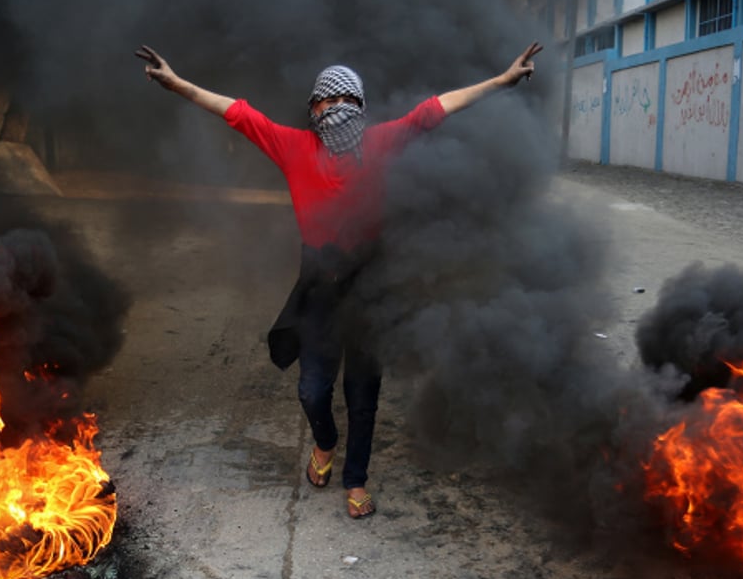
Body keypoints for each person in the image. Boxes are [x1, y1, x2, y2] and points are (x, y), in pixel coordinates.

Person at [135, 41, 542, 519]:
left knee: (363, 396)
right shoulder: (292, 146)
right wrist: (176, 82)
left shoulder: (384, 142)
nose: (340, 109)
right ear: (314, 108)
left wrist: (501, 80)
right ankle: (324, 443)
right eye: (331, 100)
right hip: (320, 284)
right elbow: (235, 112)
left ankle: (356, 479)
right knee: (312, 390)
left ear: (361, 109)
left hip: (371, 286)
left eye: (350, 101)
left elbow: (439, 107)